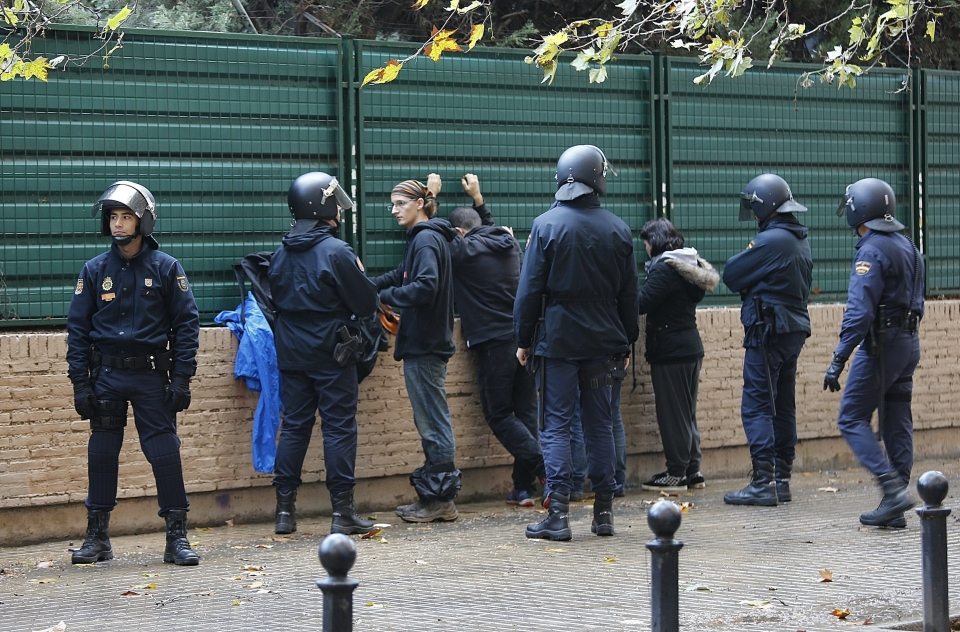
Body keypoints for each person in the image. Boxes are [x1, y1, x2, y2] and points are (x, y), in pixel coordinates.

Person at [66, 180, 200, 566]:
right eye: (113, 217)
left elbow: (187, 326)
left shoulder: (166, 268)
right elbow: (77, 330)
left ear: (144, 222)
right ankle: (97, 537)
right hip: (106, 373)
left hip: (151, 376)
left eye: (126, 217)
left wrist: (182, 378)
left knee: (163, 452)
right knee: (103, 451)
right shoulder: (94, 271)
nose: (118, 224)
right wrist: (80, 383)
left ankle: (176, 537)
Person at [515, 144, 640, 540]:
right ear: (597, 178)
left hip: (558, 340)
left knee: (555, 425)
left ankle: (559, 516)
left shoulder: (546, 226)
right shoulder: (619, 229)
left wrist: (522, 338)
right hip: (605, 340)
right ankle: (603, 514)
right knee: (600, 424)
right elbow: (629, 295)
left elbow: (529, 290)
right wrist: (626, 343)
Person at [268, 172, 379, 536]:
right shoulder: (337, 251)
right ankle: (341, 513)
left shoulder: (280, 253)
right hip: (333, 352)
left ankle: (284, 512)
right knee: (338, 427)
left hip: (291, 352)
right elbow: (366, 301)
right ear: (323, 205)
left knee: (296, 426)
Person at [824, 178, 923, 528]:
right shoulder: (908, 245)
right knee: (897, 419)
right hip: (909, 343)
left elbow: (859, 312)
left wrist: (839, 358)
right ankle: (893, 505)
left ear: (858, 209)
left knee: (851, 419)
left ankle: (892, 490)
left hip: (882, 344)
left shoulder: (871, 249)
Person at [446, 173, 544, 507]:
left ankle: (544, 465)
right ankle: (523, 488)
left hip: (492, 343)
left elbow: (430, 238)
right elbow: (484, 226)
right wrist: (479, 199)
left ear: (458, 232)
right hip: (522, 339)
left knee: (499, 414)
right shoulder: (508, 242)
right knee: (526, 414)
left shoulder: (461, 251)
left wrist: (430, 197)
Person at [722, 174, 813, 507]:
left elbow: (731, 274)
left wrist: (751, 284)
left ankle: (763, 482)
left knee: (758, 405)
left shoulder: (772, 240)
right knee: (783, 404)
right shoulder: (797, 238)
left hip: (768, 332)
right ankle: (782, 479)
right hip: (791, 330)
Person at [375, 177, 461, 523]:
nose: (395, 210)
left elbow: (424, 287)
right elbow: (403, 274)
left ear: (421, 204)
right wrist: (368, 286)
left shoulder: (425, 240)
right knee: (431, 421)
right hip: (427, 343)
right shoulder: (425, 239)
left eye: (400, 203)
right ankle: (435, 498)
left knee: (433, 424)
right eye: (393, 204)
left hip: (426, 345)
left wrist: (382, 297)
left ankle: (441, 501)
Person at [637, 218, 718, 491]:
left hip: (670, 350)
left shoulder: (665, 268)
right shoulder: (687, 265)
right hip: (689, 347)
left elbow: (642, 302)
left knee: (673, 415)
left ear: (655, 241)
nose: (646, 248)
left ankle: (676, 473)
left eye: (647, 242)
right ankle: (693, 471)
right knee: (686, 413)